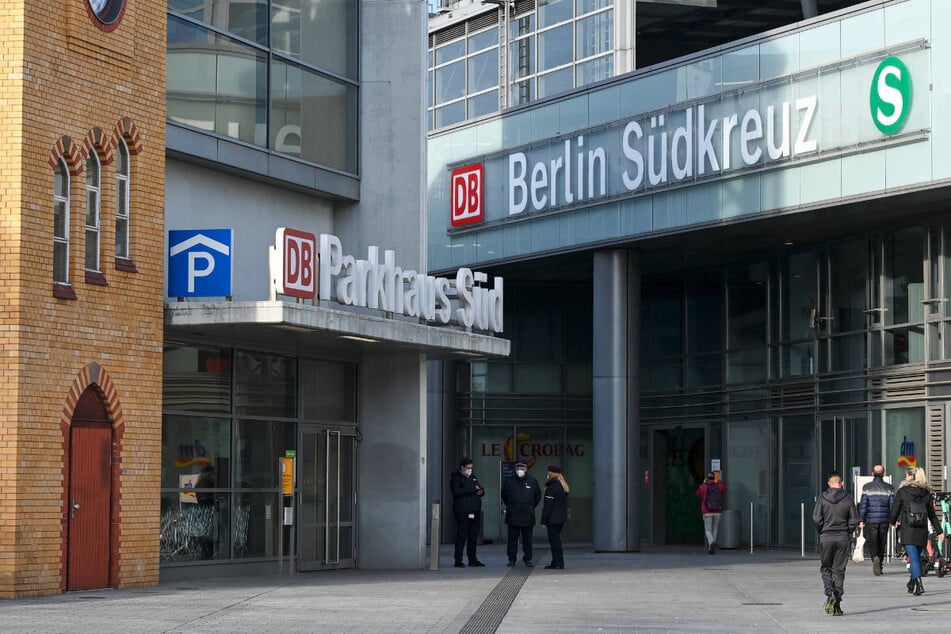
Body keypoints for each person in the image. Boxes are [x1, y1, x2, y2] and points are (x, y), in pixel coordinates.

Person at [890, 466, 944, 596]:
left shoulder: (903, 491)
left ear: (910, 476)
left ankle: (919, 584)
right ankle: (911, 582)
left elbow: (895, 509)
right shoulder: (926, 493)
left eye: (907, 474)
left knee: (913, 558)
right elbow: (932, 515)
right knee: (916, 558)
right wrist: (939, 531)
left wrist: (893, 521)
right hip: (921, 529)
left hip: (908, 528)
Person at [812, 470, 858, 616]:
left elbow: (816, 518)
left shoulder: (822, 498)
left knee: (826, 568)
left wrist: (822, 530)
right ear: (841, 483)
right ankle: (837, 603)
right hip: (843, 538)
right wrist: (848, 531)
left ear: (829, 484)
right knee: (839, 570)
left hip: (826, 537)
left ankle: (829, 592)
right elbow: (854, 519)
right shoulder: (848, 499)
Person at [501, 461, 541, 567]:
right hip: (513, 515)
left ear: (526, 469)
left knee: (527, 540)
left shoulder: (533, 481)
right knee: (512, 540)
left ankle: (528, 559)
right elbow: (504, 495)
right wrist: (511, 505)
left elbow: (537, 496)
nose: (520, 470)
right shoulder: (509, 481)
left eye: (522, 468)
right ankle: (511, 559)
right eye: (518, 468)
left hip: (528, 515)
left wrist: (530, 506)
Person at [857, 464, 895, 576]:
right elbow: (892, 505)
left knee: (872, 542)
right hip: (884, 520)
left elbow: (863, 505)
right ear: (883, 474)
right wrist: (894, 519)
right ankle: (880, 564)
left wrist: (861, 520)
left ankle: (875, 558)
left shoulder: (867, 487)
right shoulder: (890, 488)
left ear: (872, 474)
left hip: (870, 520)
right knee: (882, 543)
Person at [450, 457, 485, 568]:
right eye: (468, 467)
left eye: (471, 467)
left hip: (474, 510)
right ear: (462, 467)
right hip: (462, 511)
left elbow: (479, 488)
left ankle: (472, 559)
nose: (470, 469)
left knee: (473, 536)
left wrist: (481, 491)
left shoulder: (473, 478)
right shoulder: (456, 478)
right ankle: (458, 560)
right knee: (462, 535)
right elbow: (457, 491)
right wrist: (474, 490)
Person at [541, 464, 569, 570]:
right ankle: (558, 562)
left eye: (548, 472)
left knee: (554, 542)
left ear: (551, 473)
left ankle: (557, 563)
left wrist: (543, 520)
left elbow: (548, 506)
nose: (547, 474)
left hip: (552, 519)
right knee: (557, 541)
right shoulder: (563, 486)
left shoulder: (552, 487)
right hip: (560, 518)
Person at [695, 472, 726, 554]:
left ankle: (711, 542)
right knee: (715, 529)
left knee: (708, 530)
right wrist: (719, 481)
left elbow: (697, 493)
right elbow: (725, 489)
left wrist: (704, 483)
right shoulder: (719, 485)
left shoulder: (704, 486)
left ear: (708, 478)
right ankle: (711, 546)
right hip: (717, 511)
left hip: (707, 511)